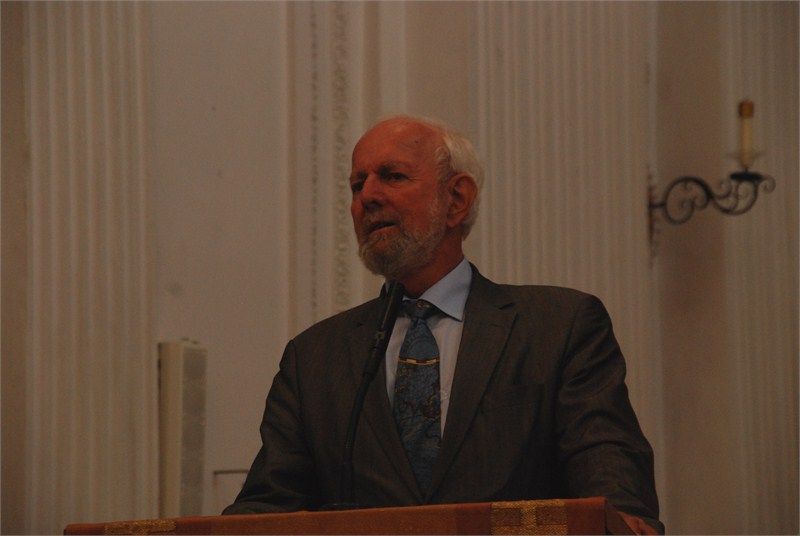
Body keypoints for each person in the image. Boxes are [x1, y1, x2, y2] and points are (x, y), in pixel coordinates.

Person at [223, 116, 662, 534]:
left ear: (456, 200)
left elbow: (607, 468)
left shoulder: (557, 326)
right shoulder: (314, 357)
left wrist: (625, 519)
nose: (367, 197)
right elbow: (267, 506)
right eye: (357, 184)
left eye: (392, 176)